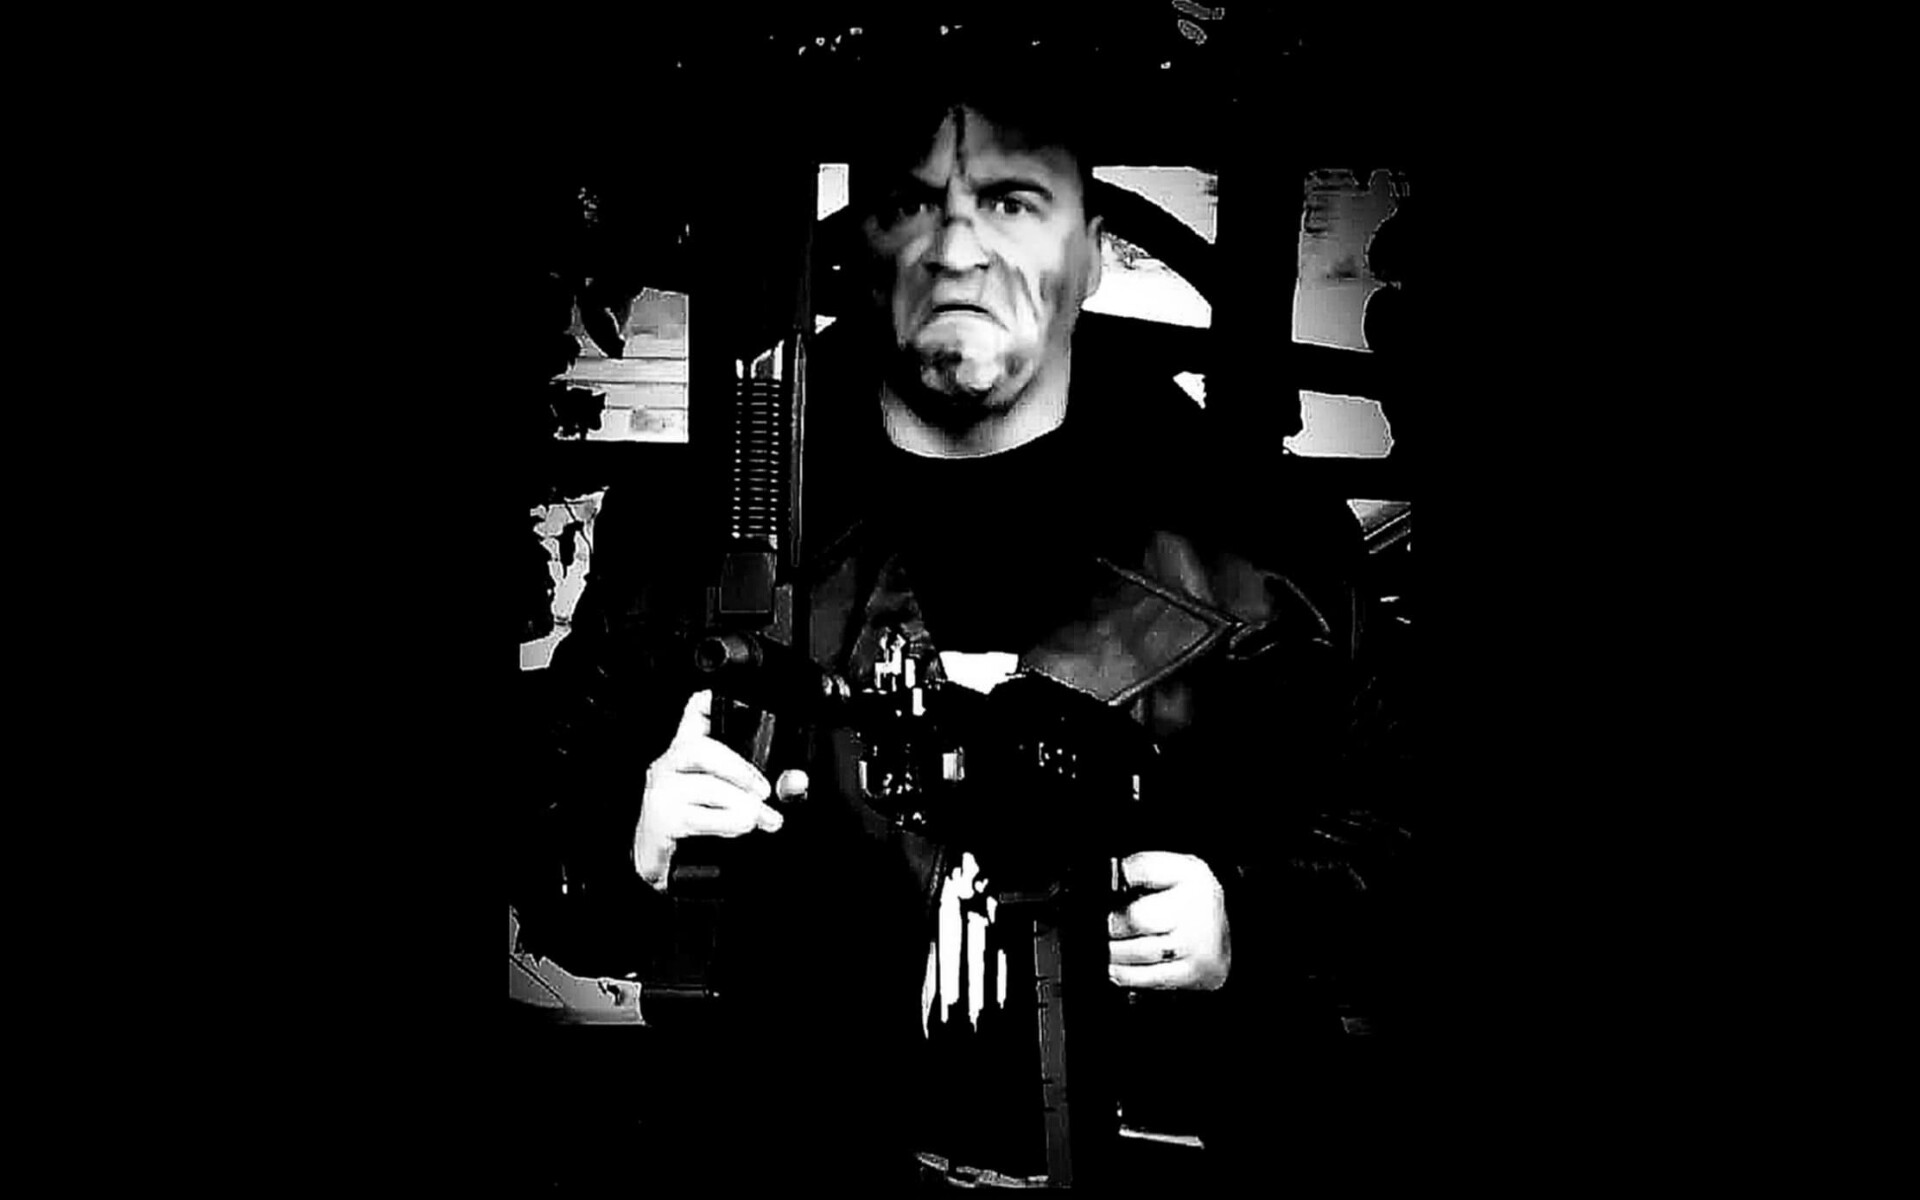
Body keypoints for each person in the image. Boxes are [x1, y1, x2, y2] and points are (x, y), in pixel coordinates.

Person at [524, 87, 1413, 1191]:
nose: (958, 251)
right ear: (863, 249)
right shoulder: (702, 525)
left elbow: (1400, 844)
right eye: (913, 206)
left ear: (1089, 254)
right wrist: (637, 844)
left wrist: (1246, 919)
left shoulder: (1268, 541)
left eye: (1010, 202)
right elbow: (545, 840)